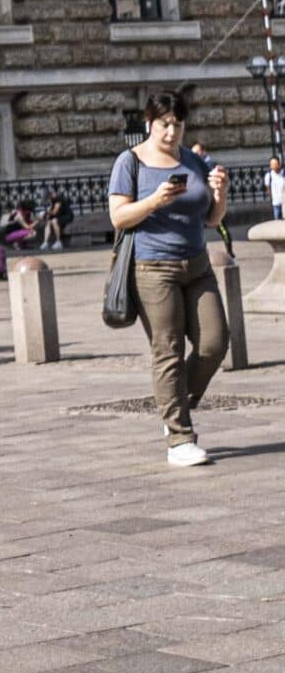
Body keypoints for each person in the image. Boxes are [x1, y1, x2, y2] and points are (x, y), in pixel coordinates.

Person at [109, 91, 230, 471]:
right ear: (149, 123)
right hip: (152, 268)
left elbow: (211, 219)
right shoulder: (129, 162)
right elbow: (118, 217)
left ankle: (174, 404)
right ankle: (179, 437)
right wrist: (155, 201)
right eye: (165, 124)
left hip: (197, 265)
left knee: (215, 341)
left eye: (178, 124)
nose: (171, 131)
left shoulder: (193, 159)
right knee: (169, 349)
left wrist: (219, 193)